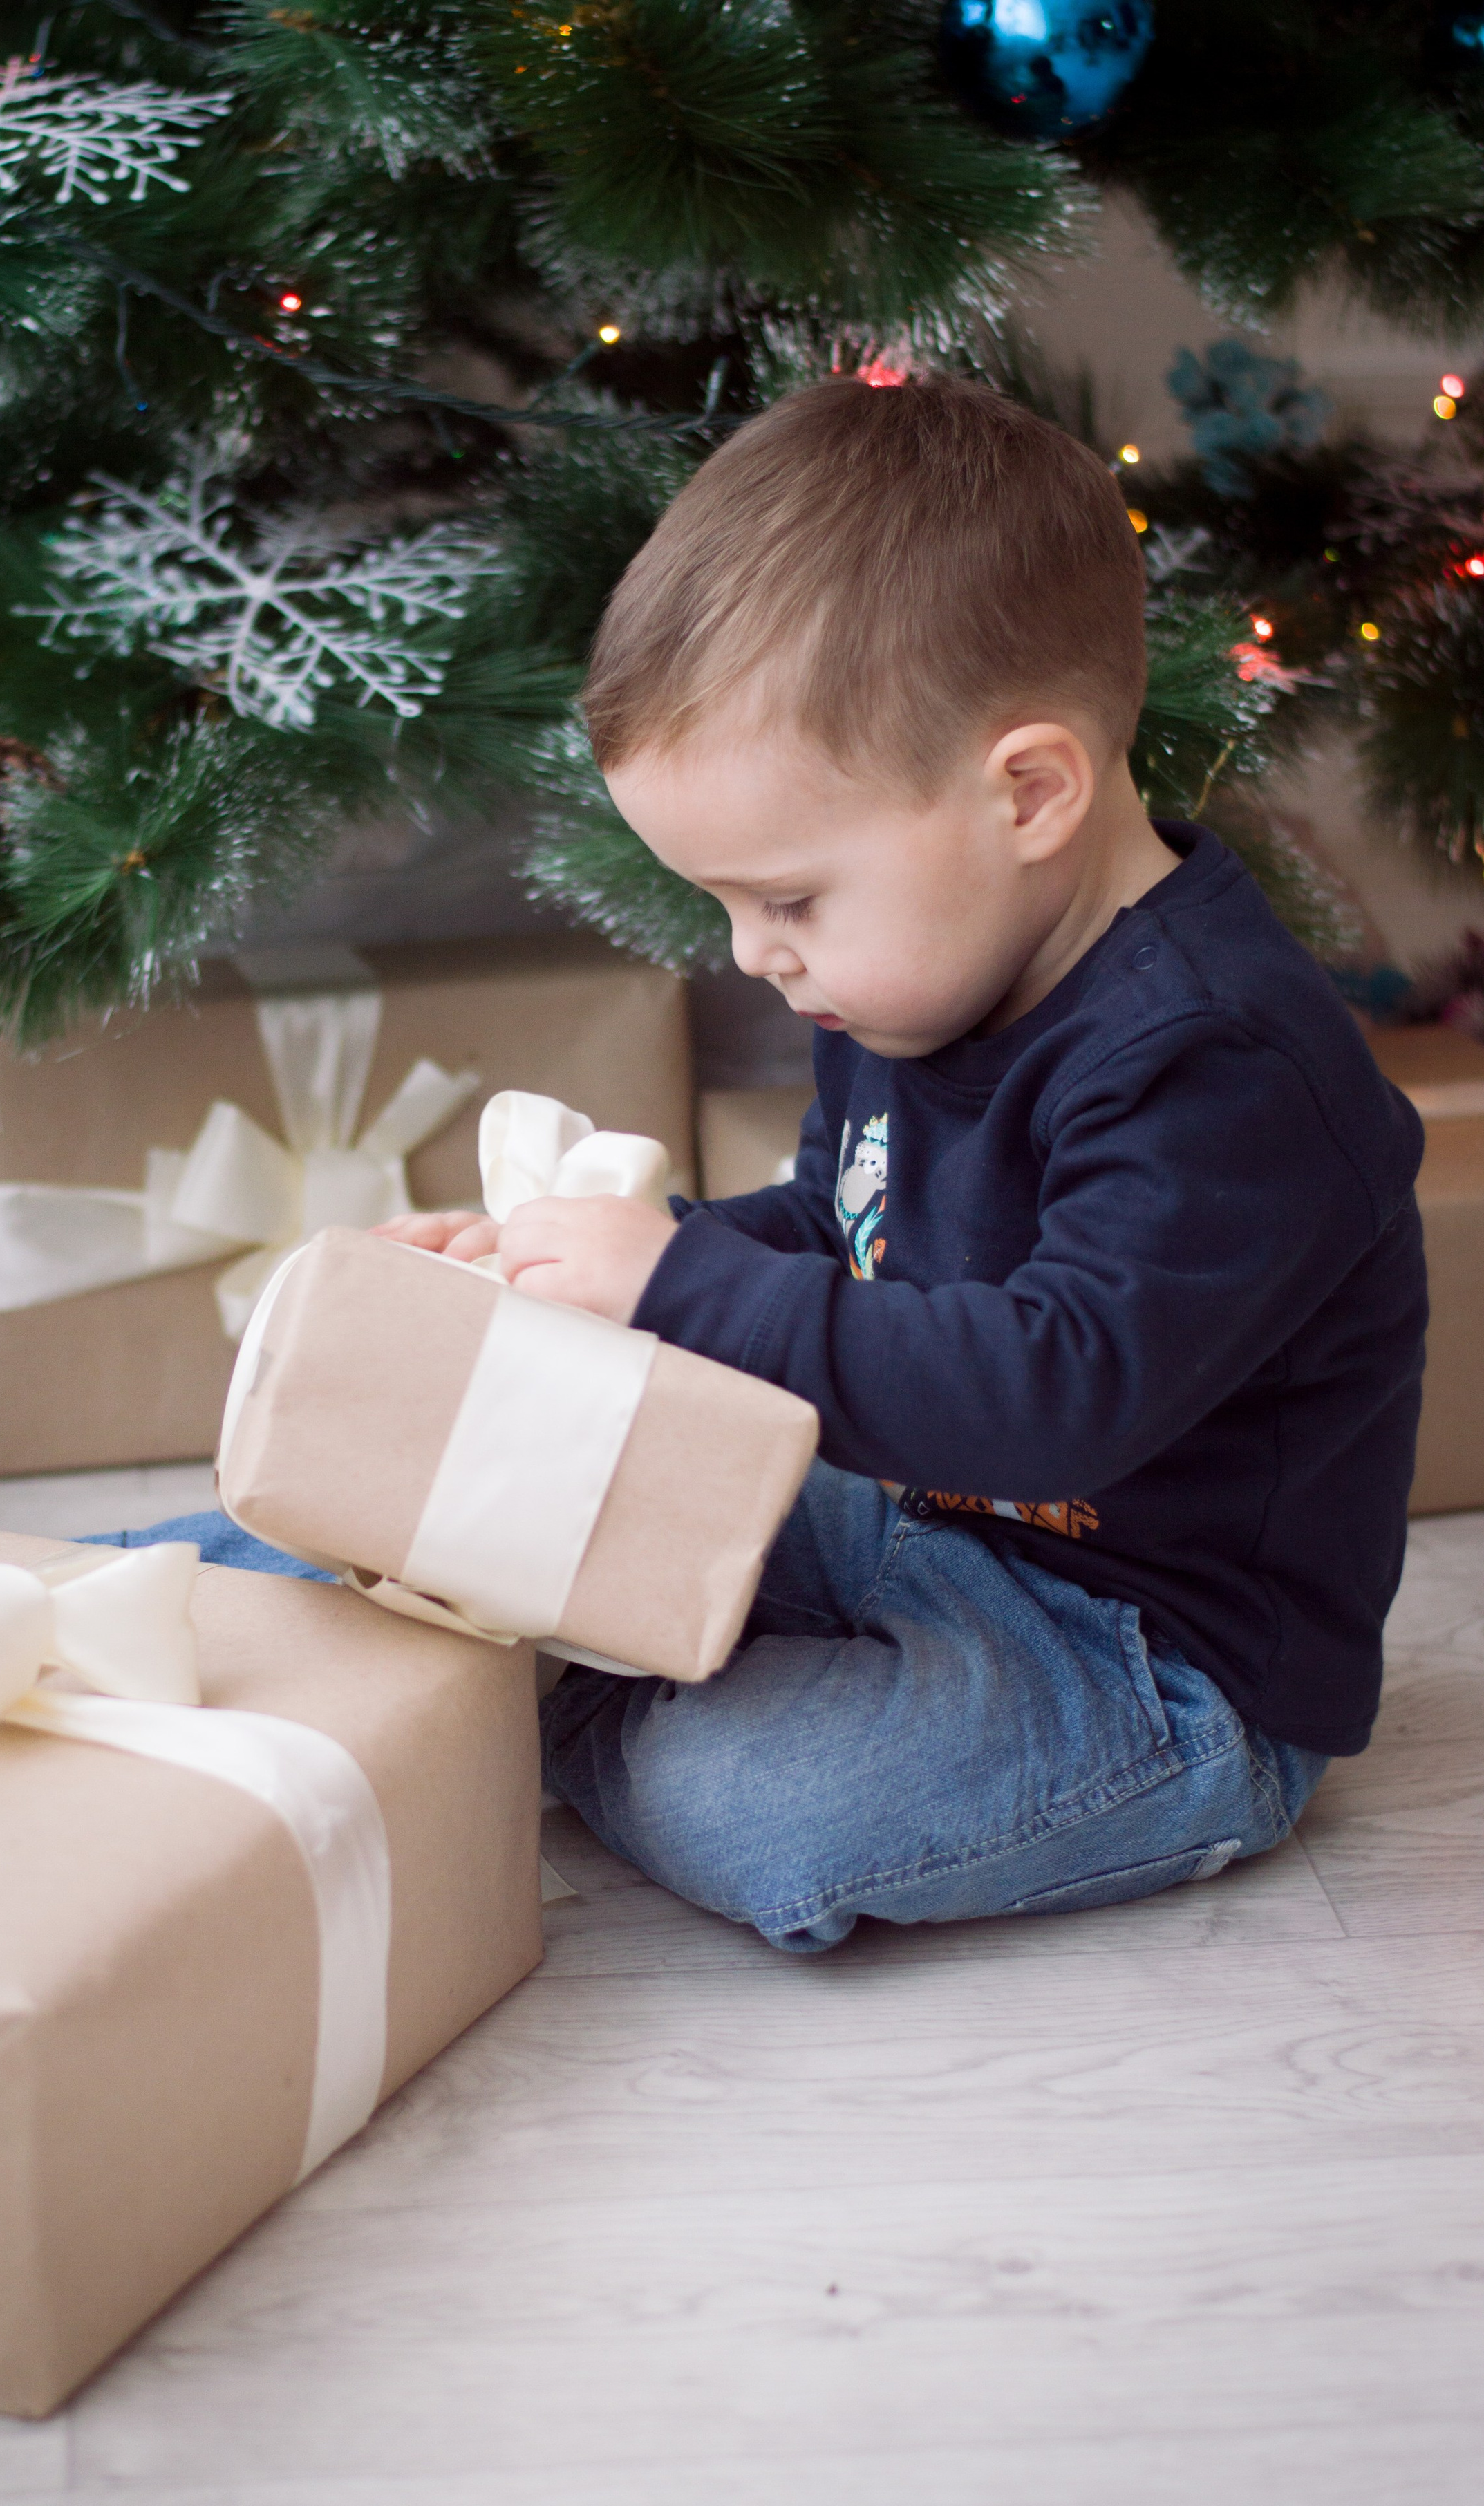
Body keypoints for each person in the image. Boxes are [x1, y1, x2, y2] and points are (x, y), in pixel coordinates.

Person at [118, 373, 1429, 1952]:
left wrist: (677, 1288)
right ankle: (55, 1598)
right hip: (898, 1509)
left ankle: (528, 1689)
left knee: (746, 1804)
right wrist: (585, 1273)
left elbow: (1055, 1393)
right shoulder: (913, 976)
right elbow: (837, 1226)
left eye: (789, 899)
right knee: (463, 1461)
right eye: (727, 905)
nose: (752, 954)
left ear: (1026, 794)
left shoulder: (1217, 1063)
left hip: (1143, 1658)